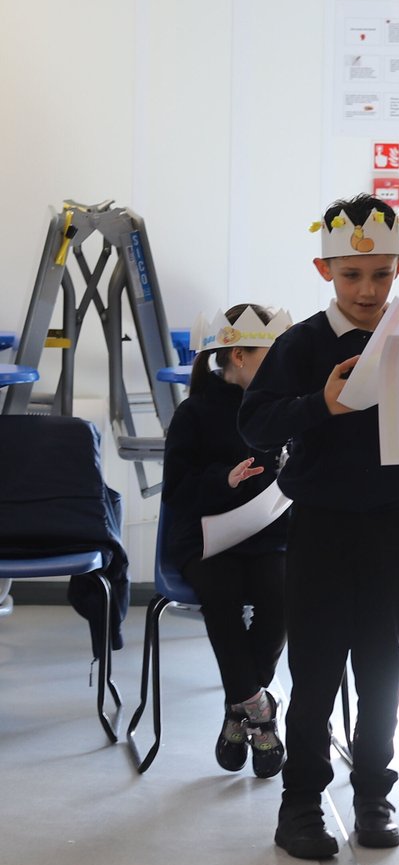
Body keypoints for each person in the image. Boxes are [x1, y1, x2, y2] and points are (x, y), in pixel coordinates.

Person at [239, 194, 399, 860]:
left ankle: (374, 792)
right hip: (318, 525)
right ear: (326, 273)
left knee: (382, 666)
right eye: (352, 275)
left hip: (388, 522)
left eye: (380, 275)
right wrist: (318, 402)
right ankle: (301, 804)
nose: (367, 289)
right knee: (315, 669)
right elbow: (256, 425)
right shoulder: (299, 345)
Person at [162, 303, 292, 779]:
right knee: (220, 596)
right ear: (238, 357)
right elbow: (176, 489)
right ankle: (261, 713)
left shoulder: (281, 406)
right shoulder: (195, 411)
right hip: (206, 537)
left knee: (281, 595)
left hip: (268, 534)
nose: (279, 364)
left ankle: (240, 709)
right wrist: (226, 481)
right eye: (268, 354)